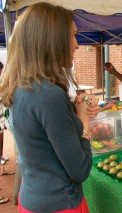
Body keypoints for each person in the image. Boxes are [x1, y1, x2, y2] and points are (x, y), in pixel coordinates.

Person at [0, 2, 95, 212]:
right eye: (72, 35)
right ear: (52, 41)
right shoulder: (49, 95)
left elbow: (41, 136)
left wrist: (73, 109)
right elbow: (80, 169)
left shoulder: (21, 87)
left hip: (33, 198)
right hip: (60, 204)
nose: (77, 44)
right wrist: (85, 126)